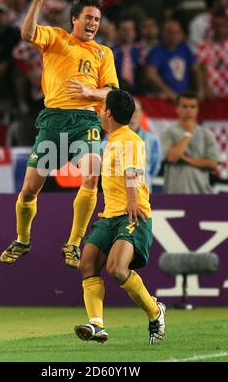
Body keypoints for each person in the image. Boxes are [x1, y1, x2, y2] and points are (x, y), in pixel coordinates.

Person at [0, 0, 119, 268]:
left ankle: (74, 244)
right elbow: (27, 34)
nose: (92, 24)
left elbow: (112, 93)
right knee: (29, 190)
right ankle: (22, 239)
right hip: (53, 121)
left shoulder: (103, 54)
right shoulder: (56, 38)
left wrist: (91, 94)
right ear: (74, 19)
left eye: (97, 20)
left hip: (86, 121)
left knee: (91, 177)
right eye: (88, 18)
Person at [74, 89, 165, 345]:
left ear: (108, 113)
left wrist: (134, 202)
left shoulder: (130, 140)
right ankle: (96, 325)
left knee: (116, 268)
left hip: (132, 214)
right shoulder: (111, 140)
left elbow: (132, 171)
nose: (100, 113)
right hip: (109, 216)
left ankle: (155, 311)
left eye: (102, 109)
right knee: (87, 263)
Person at [161, 91, 218, 194]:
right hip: (174, 192)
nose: (189, 111)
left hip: (201, 193)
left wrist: (185, 158)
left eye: (193, 107)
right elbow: (172, 157)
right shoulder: (167, 133)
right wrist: (188, 133)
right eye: (185, 106)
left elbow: (212, 164)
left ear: (197, 109)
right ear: (177, 109)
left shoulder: (207, 135)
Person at [129, 98, 162, 192]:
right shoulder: (111, 138)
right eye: (129, 110)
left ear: (142, 113)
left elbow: (155, 167)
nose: (132, 114)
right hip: (119, 194)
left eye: (135, 110)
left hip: (144, 191)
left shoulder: (152, 140)